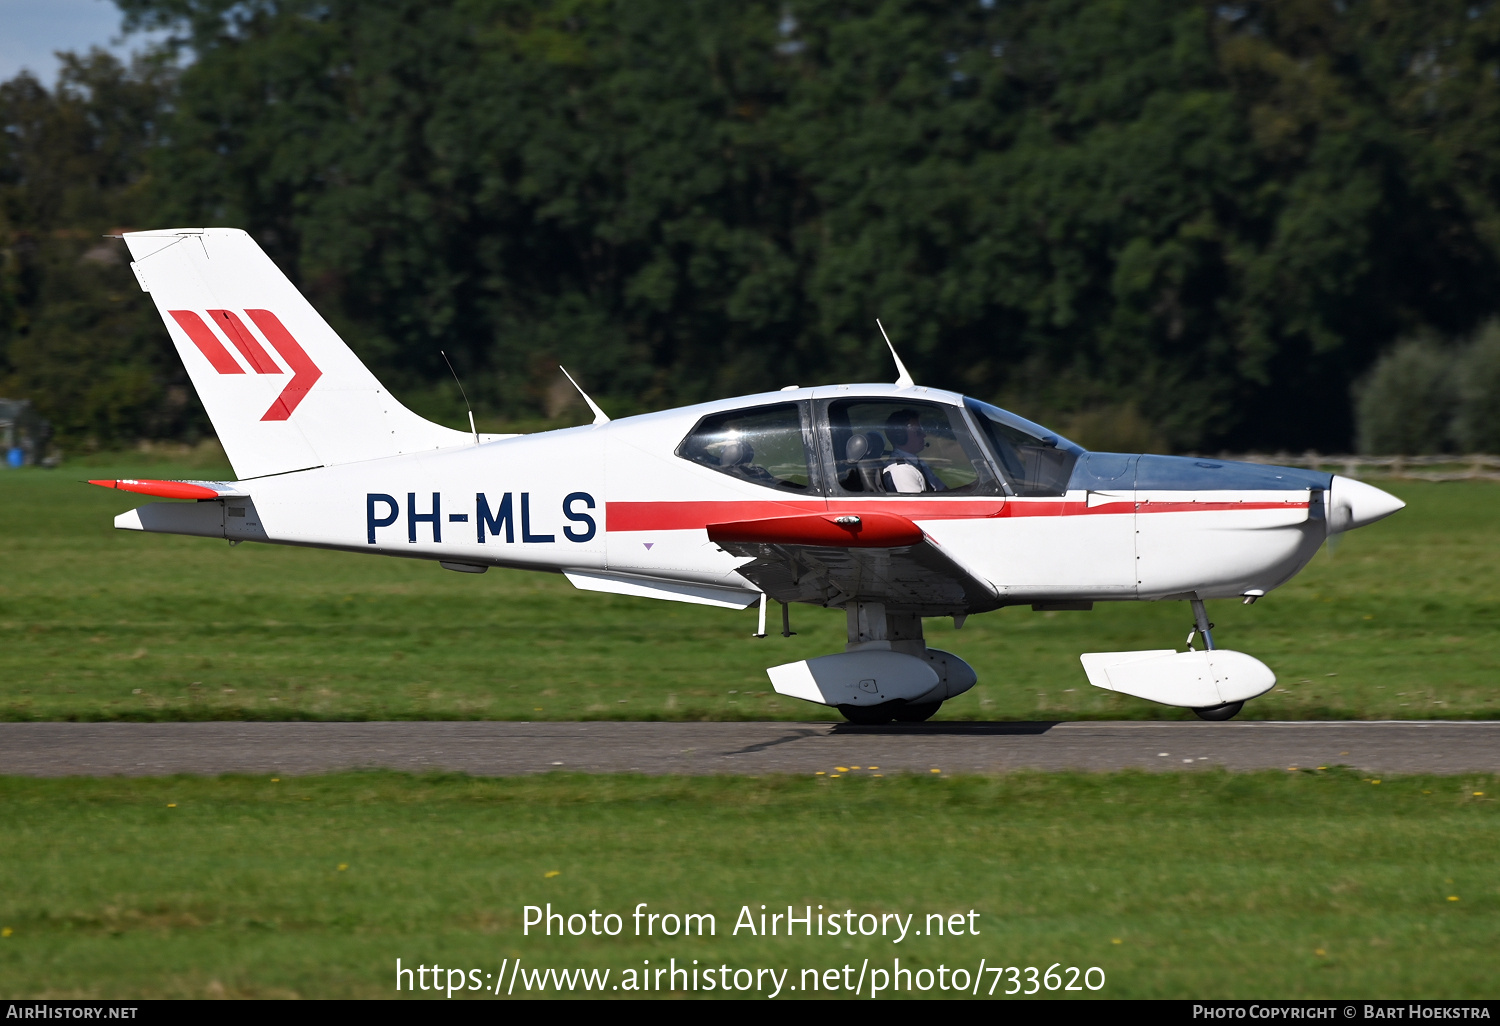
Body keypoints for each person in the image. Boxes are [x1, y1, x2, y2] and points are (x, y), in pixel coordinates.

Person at [882, 409, 945, 493]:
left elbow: (945, 493)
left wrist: (968, 488)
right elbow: (918, 505)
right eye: (918, 432)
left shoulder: (918, 463)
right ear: (900, 437)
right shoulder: (902, 470)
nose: (924, 435)